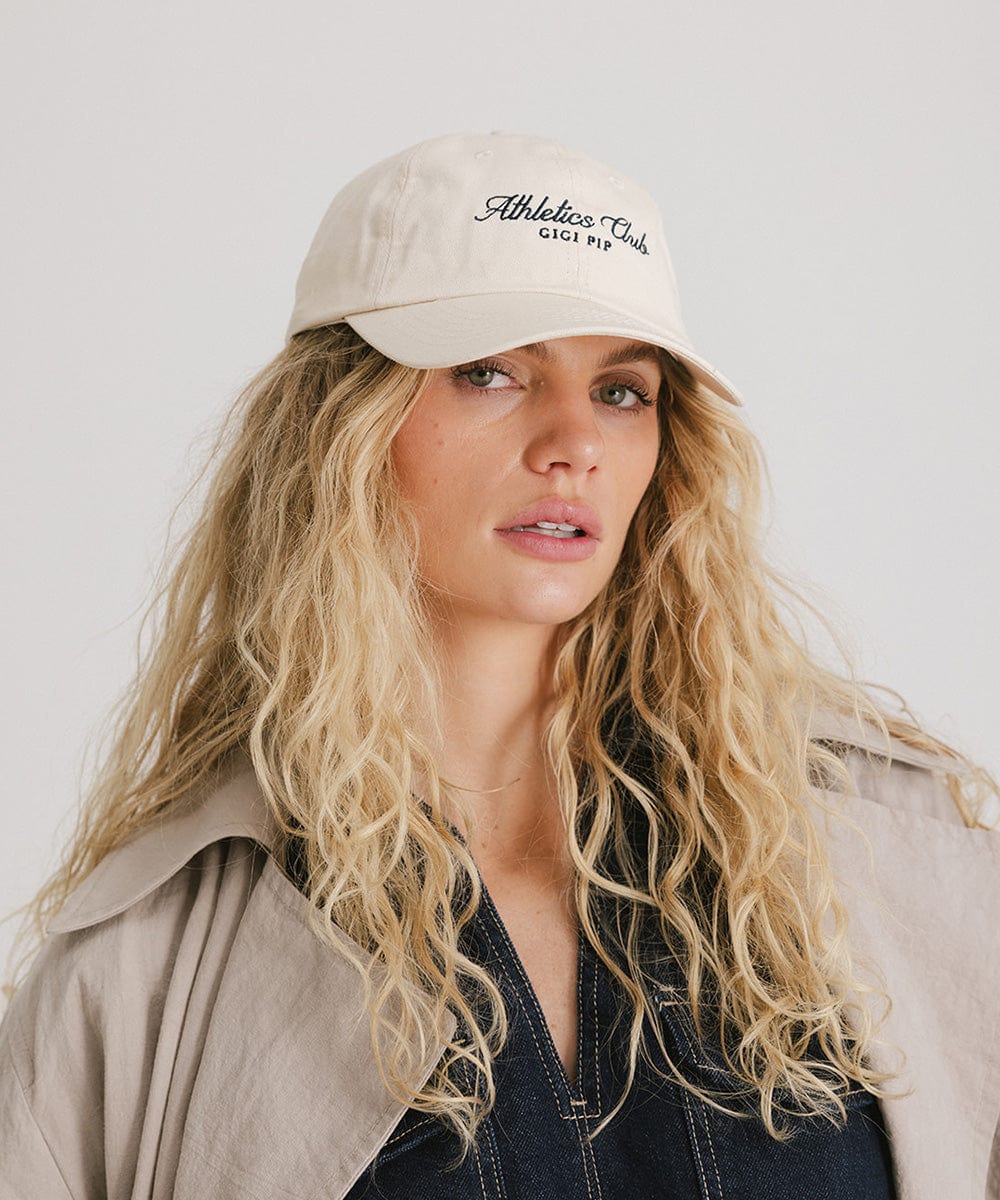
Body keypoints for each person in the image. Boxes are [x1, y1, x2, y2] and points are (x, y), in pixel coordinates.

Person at [1, 132, 997, 1200]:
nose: (574, 441)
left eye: (622, 390)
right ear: (340, 429)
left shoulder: (900, 857)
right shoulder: (149, 966)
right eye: (490, 372)